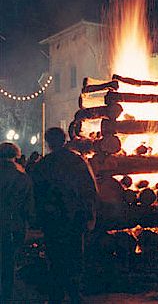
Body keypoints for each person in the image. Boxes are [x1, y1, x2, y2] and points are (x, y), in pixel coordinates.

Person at [31, 127, 97, 303]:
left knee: (55, 257)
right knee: (75, 256)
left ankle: (56, 295)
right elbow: (90, 190)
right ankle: (75, 294)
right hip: (75, 219)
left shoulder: (44, 165)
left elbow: (36, 193)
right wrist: (89, 215)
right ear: (64, 140)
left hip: (53, 221)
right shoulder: (77, 161)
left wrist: (42, 216)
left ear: (48, 142)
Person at [0, 142, 35, 302]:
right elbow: (29, 207)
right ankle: (6, 296)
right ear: (16, 155)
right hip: (13, 226)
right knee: (8, 262)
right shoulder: (22, 177)